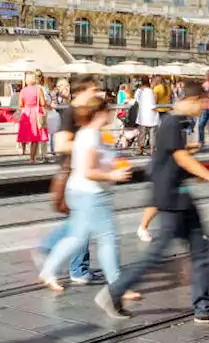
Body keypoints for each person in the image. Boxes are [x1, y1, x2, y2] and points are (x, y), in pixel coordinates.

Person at [97, 86, 209, 322]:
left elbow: (173, 156)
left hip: (179, 196)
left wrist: (188, 154)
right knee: (158, 255)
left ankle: (204, 308)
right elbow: (180, 158)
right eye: (202, 103)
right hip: (172, 198)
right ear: (193, 100)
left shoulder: (175, 122)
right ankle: (114, 292)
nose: (203, 108)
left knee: (201, 251)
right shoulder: (173, 122)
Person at [38, 95, 136, 295]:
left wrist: (113, 164)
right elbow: (88, 171)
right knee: (108, 238)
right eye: (108, 110)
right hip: (92, 194)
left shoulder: (90, 133)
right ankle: (117, 286)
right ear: (100, 113)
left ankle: (48, 271)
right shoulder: (91, 136)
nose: (111, 113)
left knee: (76, 237)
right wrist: (112, 174)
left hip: (80, 191)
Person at [35, 75, 109, 287]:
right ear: (82, 91)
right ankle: (61, 257)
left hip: (81, 172)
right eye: (93, 90)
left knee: (80, 223)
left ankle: (75, 265)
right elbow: (60, 144)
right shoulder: (69, 113)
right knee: (81, 224)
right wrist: (86, 144)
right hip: (72, 173)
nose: (96, 94)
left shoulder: (84, 113)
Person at [17, 70, 50, 164]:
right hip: (35, 113)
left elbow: (20, 103)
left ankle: (23, 150)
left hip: (26, 113)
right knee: (35, 137)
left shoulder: (23, 90)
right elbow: (43, 103)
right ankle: (32, 158)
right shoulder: (38, 89)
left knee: (24, 133)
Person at [134, 77, 158, 156]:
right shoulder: (150, 91)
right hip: (151, 116)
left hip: (142, 116)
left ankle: (140, 149)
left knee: (142, 134)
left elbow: (137, 100)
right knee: (152, 133)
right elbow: (153, 104)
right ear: (149, 82)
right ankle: (152, 150)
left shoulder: (139, 91)